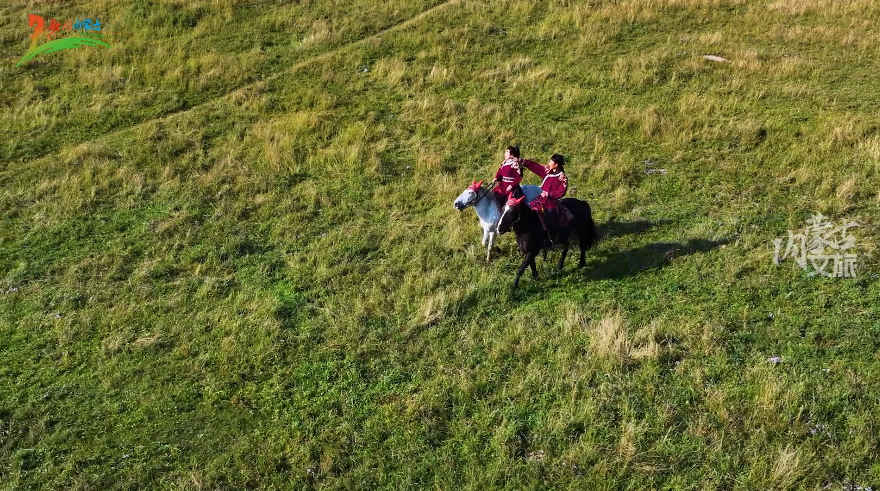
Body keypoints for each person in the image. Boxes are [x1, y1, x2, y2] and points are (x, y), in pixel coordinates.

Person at [521, 153, 568, 241]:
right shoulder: (547, 172)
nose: (549, 163)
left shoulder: (562, 178)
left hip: (551, 203)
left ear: (556, 164)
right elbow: (535, 166)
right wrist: (522, 161)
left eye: (551, 161)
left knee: (549, 217)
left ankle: (550, 238)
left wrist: (548, 194)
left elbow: (561, 192)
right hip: (540, 200)